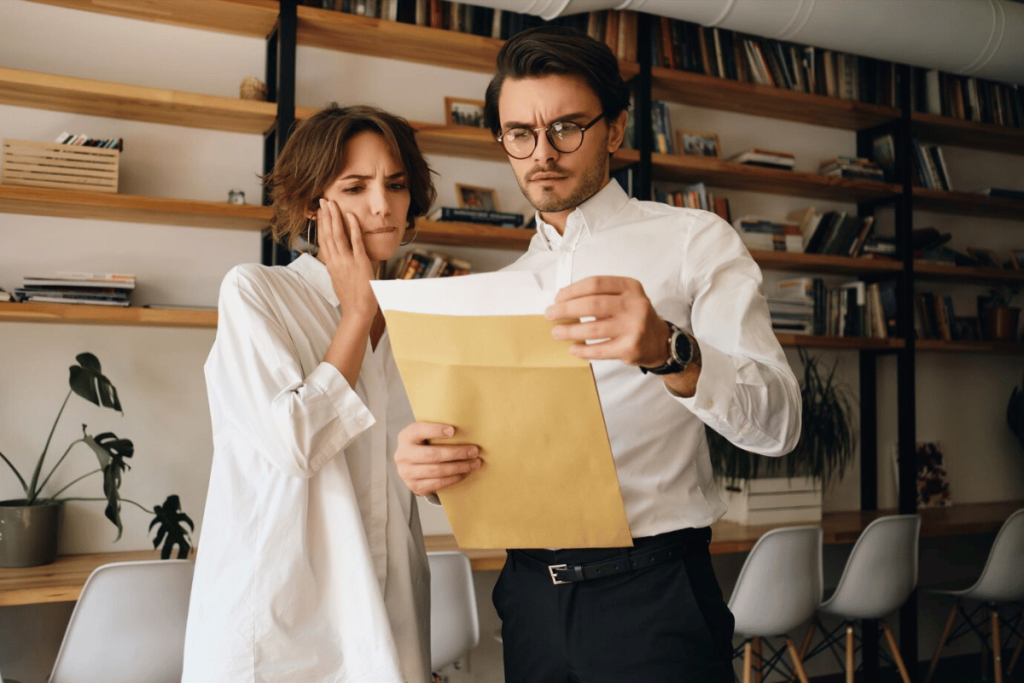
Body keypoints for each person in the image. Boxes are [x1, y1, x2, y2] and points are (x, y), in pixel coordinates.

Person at [394, 26, 802, 683]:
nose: (541, 153)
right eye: (519, 133)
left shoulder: (695, 242)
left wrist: (671, 352)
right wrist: (438, 471)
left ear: (614, 129)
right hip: (528, 597)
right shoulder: (502, 289)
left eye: (566, 127)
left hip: (656, 595)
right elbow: (505, 466)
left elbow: (780, 424)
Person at [182, 104, 441, 683]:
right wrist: (356, 314)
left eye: (396, 185)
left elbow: (420, 471)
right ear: (310, 205)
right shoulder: (256, 293)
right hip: (282, 629)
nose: (382, 205)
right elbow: (296, 442)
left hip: (390, 618)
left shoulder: (418, 321)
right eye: (355, 186)